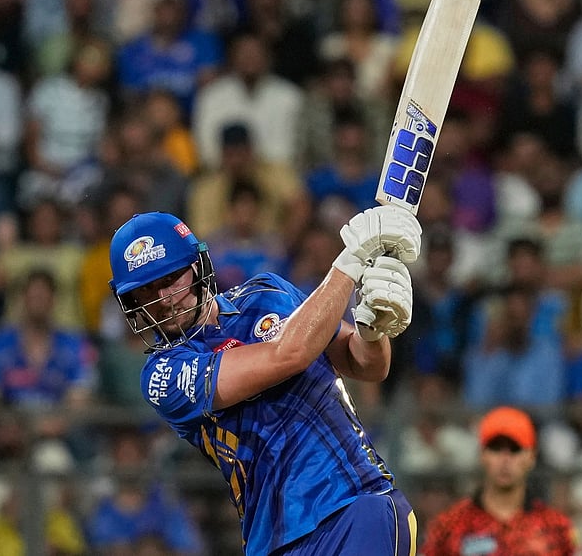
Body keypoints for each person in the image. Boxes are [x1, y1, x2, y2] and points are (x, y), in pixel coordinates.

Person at [107, 205, 422, 555]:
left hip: (355, 504)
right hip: (272, 538)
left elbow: (366, 364)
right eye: (146, 291)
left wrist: (373, 330)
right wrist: (352, 260)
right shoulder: (162, 374)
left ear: (197, 267)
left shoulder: (267, 291)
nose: (162, 300)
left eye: (169, 279)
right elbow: (288, 355)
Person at [421, 406, 579, 555]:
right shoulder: (448, 526)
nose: (505, 460)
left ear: (531, 456)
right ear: (482, 455)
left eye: (515, 449)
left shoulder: (556, 527)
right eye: (496, 448)